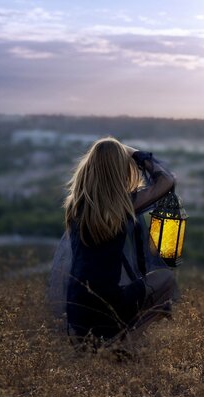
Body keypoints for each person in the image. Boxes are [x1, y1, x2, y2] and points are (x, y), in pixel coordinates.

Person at [48, 137, 180, 350]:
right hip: (108, 307)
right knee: (166, 279)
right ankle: (126, 342)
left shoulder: (75, 205)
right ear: (118, 171)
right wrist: (135, 154)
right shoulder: (122, 206)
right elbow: (166, 180)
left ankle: (114, 343)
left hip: (78, 311)